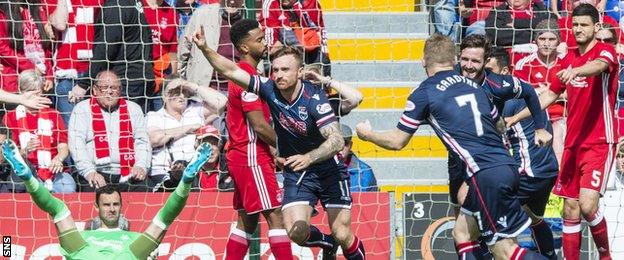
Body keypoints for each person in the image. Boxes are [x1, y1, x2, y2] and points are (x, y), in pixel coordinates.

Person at [355, 33, 547, 260]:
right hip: (504, 165)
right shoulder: (476, 87)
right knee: (462, 233)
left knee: (505, 251)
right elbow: (499, 124)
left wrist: (368, 135)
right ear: (454, 60)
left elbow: (398, 141)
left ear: (423, 61)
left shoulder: (423, 93)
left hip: (485, 174)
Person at [191, 26, 365, 259]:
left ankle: (335, 242)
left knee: (341, 232)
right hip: (296, 171)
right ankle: (326, 243)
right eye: (275, 70)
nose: (279, 74)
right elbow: (230, 70)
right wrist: (204, 48)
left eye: (285, 69)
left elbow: (335, 140)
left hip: (327, 169)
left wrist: (308, 156)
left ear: (300, 71)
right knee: (292, 230)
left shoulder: (315, 99)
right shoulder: (268, 89)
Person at [505, 4, 618, 260]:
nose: (578, 29)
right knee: (570, 209)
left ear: (596, 27)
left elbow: (599, 66)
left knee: (588, 206)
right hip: (572, 144)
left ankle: (605, 256)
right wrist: (514, 117)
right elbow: (547, 96)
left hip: (599, 142)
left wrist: (576, 70)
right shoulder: (567, 60)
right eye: (575, 24)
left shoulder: (605, 51)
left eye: (584, 25)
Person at [1, 137, 213, 259]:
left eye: (115, 204)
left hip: (105, 253)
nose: (112, 209)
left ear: (121, 206)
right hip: (111, 253)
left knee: (59, 211)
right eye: (107, 205)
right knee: (162, 221)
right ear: (97, 207)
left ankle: (28, 177)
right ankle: (185, 181)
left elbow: (7, 246)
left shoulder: (130, 236)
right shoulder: (95, 237)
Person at [221, 19, 292, 260]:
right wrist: (288, 142)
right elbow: (259, 125)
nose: (265, 42)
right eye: (259, 39)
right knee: (275, 215)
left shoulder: (249, 75)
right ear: (243, 47)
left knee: (247, 220)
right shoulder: (245, 78)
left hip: (244, 154)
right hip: (251, 155)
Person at [487, 47, 559, 259]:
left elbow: (496, 135)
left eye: (490, 71)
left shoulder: (507, 98)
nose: (486, 76)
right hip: (547, 169)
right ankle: (550, 255)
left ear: (506, 71)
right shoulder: (527, 89)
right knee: (533, 217)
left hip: (529, 171)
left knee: (492, 216)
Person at [69, 71, 151, 192]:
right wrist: (89, 172)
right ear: (94, 90)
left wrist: (140, 166)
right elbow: (76, 145)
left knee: (144, 187)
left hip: (128, 173)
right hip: (95, 171)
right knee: (89, 188)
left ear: (120, 90)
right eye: (104, 88)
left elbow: (142, 142)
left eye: (114, 87)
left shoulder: (134, 109)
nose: (110, 91)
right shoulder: (81, 109)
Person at [71, 0, 155, 112]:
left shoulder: (115, 6)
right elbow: (148, 39)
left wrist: (84, 84)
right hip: (140, 79)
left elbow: (106, 48)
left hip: (122, 83)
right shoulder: (133, 3)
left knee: (117, 127)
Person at [146, 77, 226, 189]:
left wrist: (191, 85)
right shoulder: (154, 116)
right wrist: (190, 127)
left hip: (195, 171)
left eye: (184, 92)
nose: (182, 96)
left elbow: (222, 101)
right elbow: (155, 139)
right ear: (165, 96)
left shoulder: (196, 110)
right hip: (164, 172)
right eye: (176, 92)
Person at [3, 70, 75, 193]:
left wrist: (58, 158)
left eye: (38, 91)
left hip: (52, 170)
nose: (35, 95)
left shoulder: (53, 114)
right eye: (30, 91)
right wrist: (24, 151)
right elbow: (7, 152)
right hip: (25, 170)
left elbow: (63, 145)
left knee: (68, 187)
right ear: (21, 91)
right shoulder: (10, 117)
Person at [513, 19, 567, 164]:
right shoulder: (523, 64)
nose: (546, 43)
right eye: (542, 38)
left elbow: (572, 93)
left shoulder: (566, 63)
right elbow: (521, 96)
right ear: (535, 40)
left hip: (563, 116)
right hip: (534, 117)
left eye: (551, 39)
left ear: (558, 41)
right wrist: (558, 92)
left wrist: (546, 90)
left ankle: (560, 178)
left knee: (558, 130)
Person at [45, 0, 104, 125]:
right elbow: (60, 24)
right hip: (68, 74)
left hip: (96, 72)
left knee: (98, 127)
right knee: (71, 129)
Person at [259, 0, 331, 76]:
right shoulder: (271, 3)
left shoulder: (310, 3)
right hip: (283, 60)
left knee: (321, 60)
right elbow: (271, 47)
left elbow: (318, 35)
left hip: (312, 58)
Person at [143, 0, 179, 111]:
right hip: (137, 75)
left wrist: (171, 81)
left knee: (160, 120)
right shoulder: (137, 5)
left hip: (160, 78)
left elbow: (172, 52)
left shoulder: (172, 13)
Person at [339, 124, 378, 192]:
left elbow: (374, 200)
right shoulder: (319, 169)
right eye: (337, 142)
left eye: (345, 143)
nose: (340, 147)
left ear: (350, 145)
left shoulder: (365, 171)